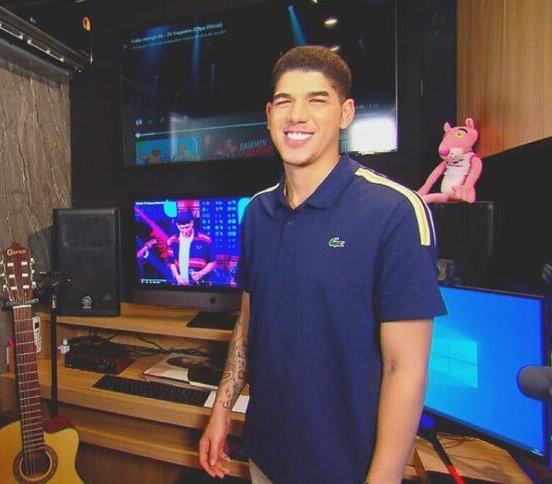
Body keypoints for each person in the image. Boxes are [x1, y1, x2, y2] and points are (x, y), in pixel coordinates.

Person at [199, 46, 446, 484]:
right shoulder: (256, 212)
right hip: (265, 457)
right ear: (268, 114)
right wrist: (221, 411)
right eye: (284, 101)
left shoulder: (394, 211)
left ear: (346, 113)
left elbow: (404, 369)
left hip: (347, 471)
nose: (297, 115)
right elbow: (249, 322)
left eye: (317, 99)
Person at [167, 211, 216, 285]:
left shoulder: (205, 240)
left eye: (187, 227)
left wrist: (201, 273)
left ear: (192, 223)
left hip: (201, 284)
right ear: (177, 226)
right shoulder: (173, 240)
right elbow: (171, 262)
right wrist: (177, 277)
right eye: (182, 228)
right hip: (180, 284)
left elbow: (213, 262)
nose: (185, 230)